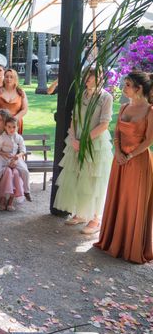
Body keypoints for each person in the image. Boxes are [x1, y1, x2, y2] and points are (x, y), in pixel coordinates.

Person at [95, 71, 153, 264]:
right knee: (118, 199)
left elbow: (149, 140)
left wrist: (129, 155)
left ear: (139, 88)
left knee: (133, 202)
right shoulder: (123, 107)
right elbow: (117, 132)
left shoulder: (150, 110)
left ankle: (130, 246)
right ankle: (114, 241)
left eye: (127, 85)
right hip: (119, 161)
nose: (123, 87)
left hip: (138, 163)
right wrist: (118, 152)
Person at [54, 68, 113, 234]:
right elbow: (74, 120)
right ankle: (81, 213)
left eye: (90, 76)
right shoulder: (81, 95)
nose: (86, 79)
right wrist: (73, 139)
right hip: (76, 141)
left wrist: (85, 141)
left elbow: (104, 124)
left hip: (94, 144)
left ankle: (95, 218)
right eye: (85, 75)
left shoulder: (105, 97)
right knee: (78, 176)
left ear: (99, 78)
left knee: (93, 180)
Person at [0, 116, 29, 211]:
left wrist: (18, 156)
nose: (11, 129)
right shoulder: (2, 137)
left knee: (25, 170)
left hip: (16, 158)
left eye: (14, 127)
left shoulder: (19, 137)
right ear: (5, 127)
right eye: (9, 127)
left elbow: (23, 150)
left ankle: (26, 191)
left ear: (17, 127)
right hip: (3, 157)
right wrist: (4, 154)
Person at [0, 69, 28, 134]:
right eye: (6, 76)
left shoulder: (21, 92)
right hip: (0, 123)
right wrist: (2, 119)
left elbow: (25, 109)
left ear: (15, 78)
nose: (8, 79)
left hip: (15, 123)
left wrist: (14, 119)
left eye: (11, 77)